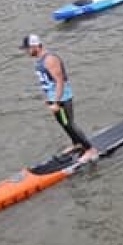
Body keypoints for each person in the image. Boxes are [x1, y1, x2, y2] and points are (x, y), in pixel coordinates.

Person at [20, 34, 98, 163]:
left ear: (35, 46)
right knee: (63, 123)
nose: (26, 52)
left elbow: (59, 81)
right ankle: (77, 143)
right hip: (54, 98)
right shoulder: (39, 60)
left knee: (69, 123)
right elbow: (47, 82)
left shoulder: (50, 59)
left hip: (63, 98)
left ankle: (90, 150)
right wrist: (49, 99)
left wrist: (56, 102)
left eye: (27, 48)